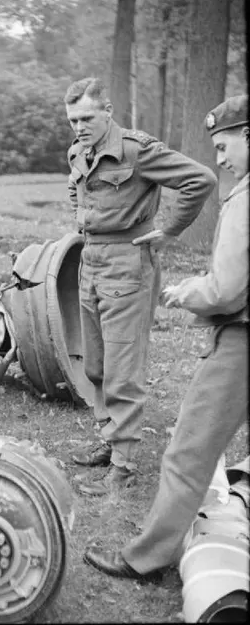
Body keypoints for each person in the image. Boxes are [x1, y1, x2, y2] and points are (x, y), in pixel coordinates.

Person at [83, 94, 248, 581]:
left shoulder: (243, 199)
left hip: (239, 342)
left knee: (188, 454)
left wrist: (189, 290)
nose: (218, 159)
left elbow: (226, 290)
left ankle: (146, 557)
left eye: (223, 146)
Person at [64, 77, 217, 496]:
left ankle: (123, 465)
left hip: (128, 264)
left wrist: (169, 230)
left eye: (87, 118)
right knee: (95, 365)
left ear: (108, 112)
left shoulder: (136, 149)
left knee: (122, 370)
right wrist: (81, 221)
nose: (79, 126)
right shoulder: (79, 152)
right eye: (73, 119)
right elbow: (76, 192)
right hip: (90, 262)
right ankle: (109, 437)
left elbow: (200, 179)